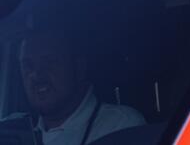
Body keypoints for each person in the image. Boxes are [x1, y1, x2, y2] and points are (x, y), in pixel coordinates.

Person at [16, 29, 145, 145]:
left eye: (49, 62)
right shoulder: (13, 130)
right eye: (28, 65)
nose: (36, 74)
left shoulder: (119, 126)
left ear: (79, 68)